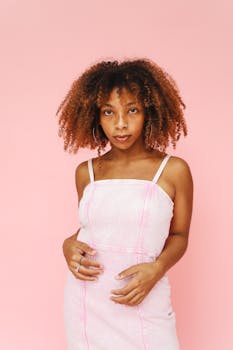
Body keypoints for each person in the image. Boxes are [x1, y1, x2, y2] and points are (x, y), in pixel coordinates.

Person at [56, 58, 193, 349]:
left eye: (132, 110)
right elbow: (95, 228)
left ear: (149, 113)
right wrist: (67, 244)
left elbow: (179, 236)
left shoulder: (173, 170)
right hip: (87, 302)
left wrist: (156, 269)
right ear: (96, 116)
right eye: (109, 112)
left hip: (145, 298)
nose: (120, 123)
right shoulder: (87, 172)